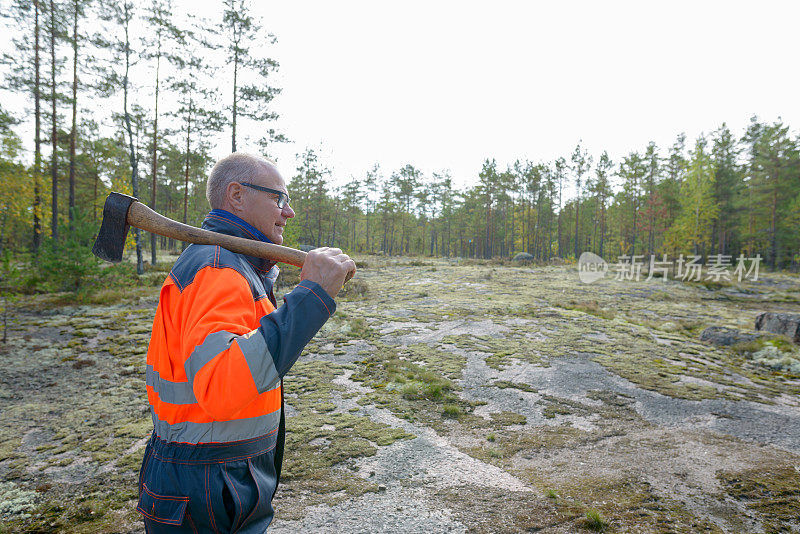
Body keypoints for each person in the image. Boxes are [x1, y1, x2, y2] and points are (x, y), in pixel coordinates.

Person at [137, 152, 355, 532]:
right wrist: (312, 296)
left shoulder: (233, 264)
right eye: (278, 198)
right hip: (207, 483)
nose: (288, 212)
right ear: (236, 196)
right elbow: (223, 385)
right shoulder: (219, 268)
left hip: (213, 474)